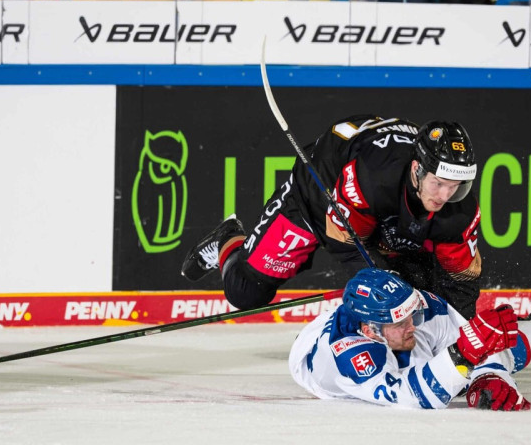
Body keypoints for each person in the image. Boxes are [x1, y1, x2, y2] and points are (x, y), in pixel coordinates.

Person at [182, 115, 483, 318]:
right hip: (317, 197)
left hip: (378, 216)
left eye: (456, 187)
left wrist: (463, 343)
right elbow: (346, 243)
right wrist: (386, 280)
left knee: (424, 287)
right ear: (417, 170)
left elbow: (461, 281)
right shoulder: (373, 177)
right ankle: (228, 240)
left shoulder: (459, 209)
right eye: (439, 184)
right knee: (244, 292)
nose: (445, 196)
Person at [288, 268, 531, 410]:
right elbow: (409, 398)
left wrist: (491, 375)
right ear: (370, 331)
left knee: (488, 350)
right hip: (355, 371)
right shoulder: (350, 356)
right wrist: (463, 353)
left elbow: (483, 345)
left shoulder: (417, 308)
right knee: (458, 362)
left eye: (413, 314)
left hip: (397, 347)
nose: (413, 324)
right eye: (401, 321)